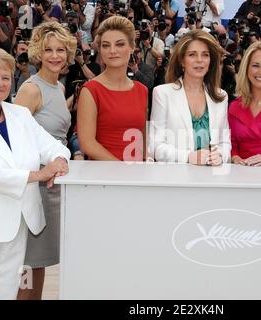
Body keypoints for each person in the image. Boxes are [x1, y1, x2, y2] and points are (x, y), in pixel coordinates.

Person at [0, 46, 70, 300]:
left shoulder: (20, 115)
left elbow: (51, 146)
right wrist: (38, 175)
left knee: (5, 293)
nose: (0, 83)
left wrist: (60, 159)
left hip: (18, 226)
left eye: (5, 77)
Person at [13, 21, 76, 300]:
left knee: (39, 263)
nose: (54, 56)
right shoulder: (31, 89)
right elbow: (13, 140)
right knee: (28, 263)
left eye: (60, 50)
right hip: (35, 185)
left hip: (52, 185)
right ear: (38, 52)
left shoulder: (59, 87)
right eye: (48, 50)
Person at [149, 29, 230, 165]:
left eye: (205, 55)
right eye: (192, 55)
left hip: (211, 178)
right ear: (182, 60)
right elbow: (156, 146)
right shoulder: (162, 94)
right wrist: (188, 156)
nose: (199, 60)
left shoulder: (221, 96)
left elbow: (225, 143)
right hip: (176, 178)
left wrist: (221, 155)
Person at [77, 16, 148, 161]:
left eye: (120, 44)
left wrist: (142, 169)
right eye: (106, 45)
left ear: (132, 47)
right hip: (103, 178)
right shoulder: (91, 90)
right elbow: (87, 144)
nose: (112, 51)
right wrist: (121, 170)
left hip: (137, 175)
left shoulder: (142, 90)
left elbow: (143, 137)